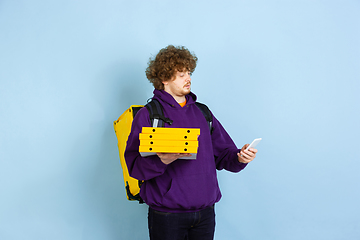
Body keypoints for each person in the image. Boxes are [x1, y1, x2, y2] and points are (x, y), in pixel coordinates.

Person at [124, 45, 258, 240]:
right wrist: (163, 160)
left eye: (188, 72)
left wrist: (240, 157)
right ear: (164, 78)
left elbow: (224, 155)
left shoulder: (203, 113)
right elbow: (135, 167)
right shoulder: (149, 115)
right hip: (167, 215)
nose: (188, 78)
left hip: (205, 214)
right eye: (180, 74)